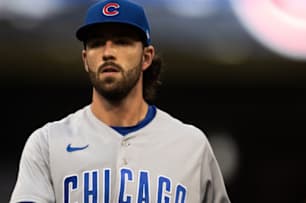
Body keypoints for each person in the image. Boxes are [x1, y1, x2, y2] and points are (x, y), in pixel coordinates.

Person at [10, 0, 231, 202]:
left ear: (146, 57)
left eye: (122, 42)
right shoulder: (47, 143)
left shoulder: (191, 145)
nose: (108, 52)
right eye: (97, 43)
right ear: (86, 59)